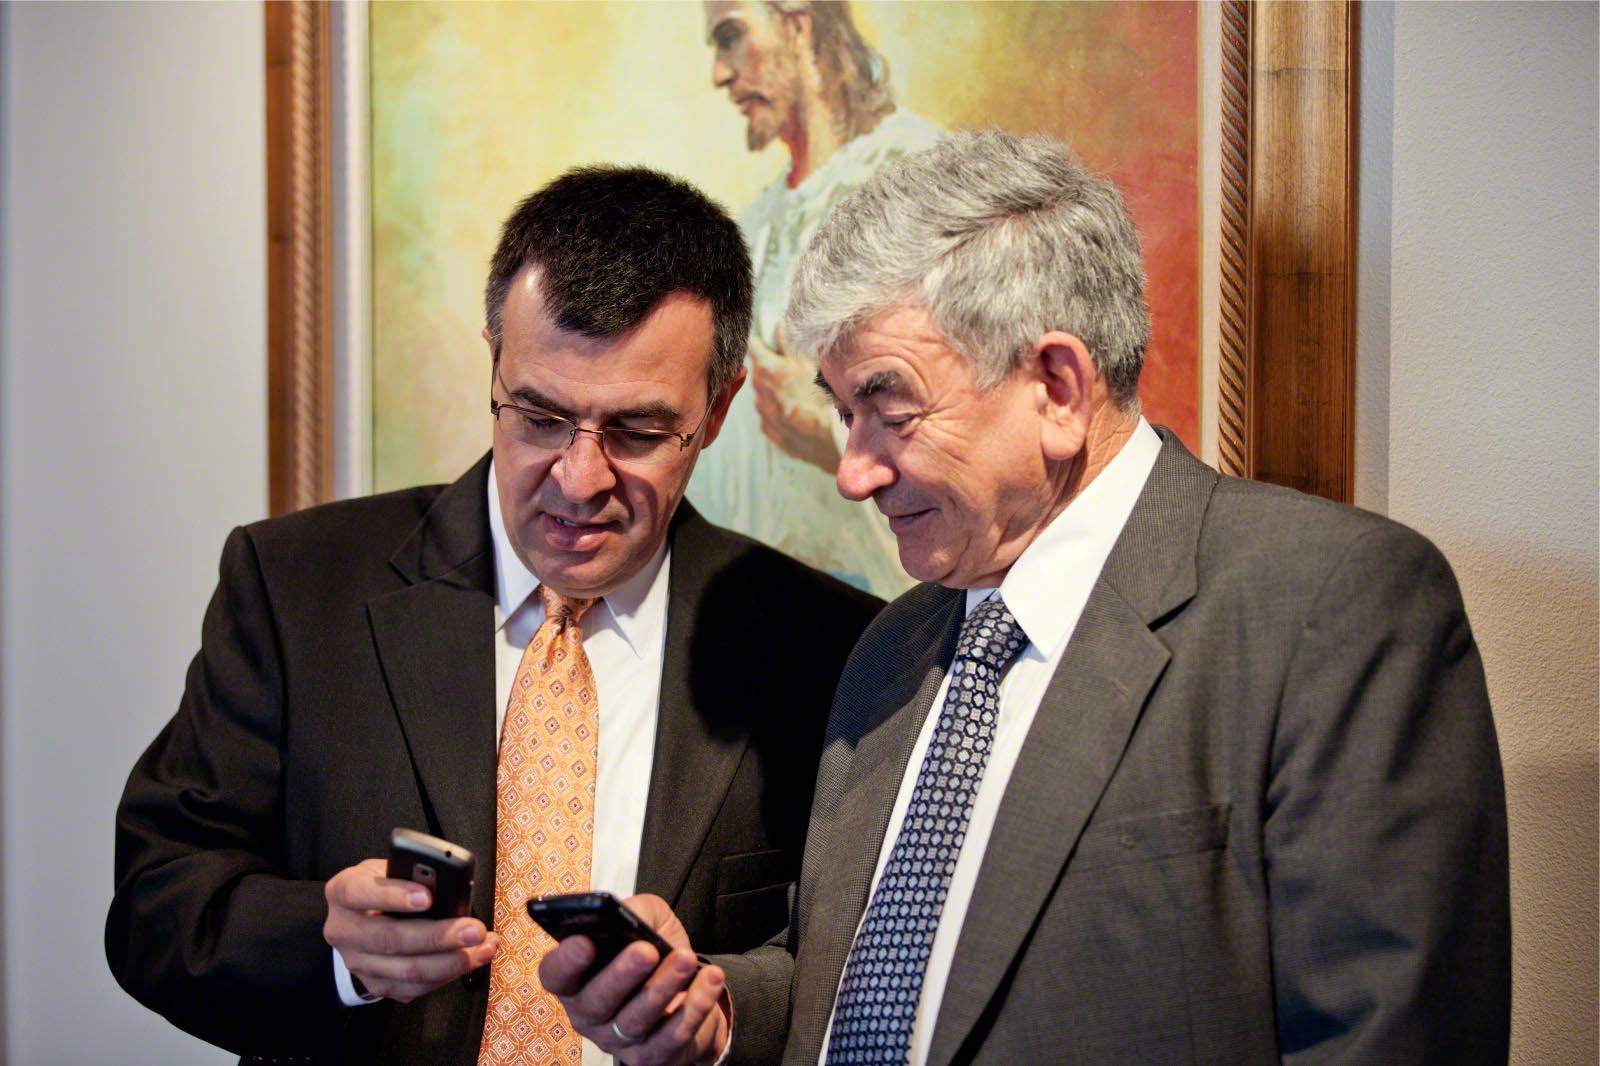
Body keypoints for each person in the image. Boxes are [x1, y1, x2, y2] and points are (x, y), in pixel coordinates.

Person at [538, 131, 1511, 1064]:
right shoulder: (890, 646)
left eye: (890, 410)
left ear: (1056, 387)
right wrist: (708, 1010)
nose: (854, 472)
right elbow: (858, 981)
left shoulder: (1330, 606)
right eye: (843, 415)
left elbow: (1386, 1033)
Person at [106, 166, 881, 1065]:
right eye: (539, 417)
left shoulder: (831, 647)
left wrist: (724, 1013)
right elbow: (159, 902)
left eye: (636, 432)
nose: (579, 480)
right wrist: (332, 949)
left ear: (716, 411)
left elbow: (855, 964)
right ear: (493, 363)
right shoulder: (295, 587)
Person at [689, 0, 942, 598]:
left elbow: (977, 398)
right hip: (769, 601)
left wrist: (830, 430)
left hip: (894, 601)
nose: (720, 74)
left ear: (798, 24)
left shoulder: (922, 175)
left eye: (731, 36)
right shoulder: (755, 225)